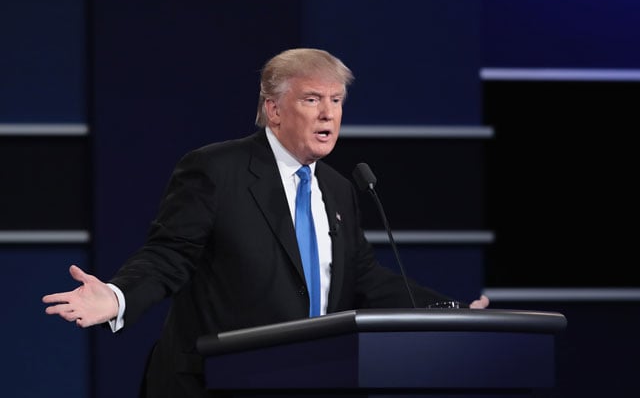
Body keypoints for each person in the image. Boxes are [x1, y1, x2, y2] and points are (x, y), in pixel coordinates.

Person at [43, 48, 490, 397]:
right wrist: (119, 297)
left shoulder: (338, 189)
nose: (328, 114)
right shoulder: (216, 170)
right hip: (217, 383)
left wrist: (448, 312)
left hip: (313, 381)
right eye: (312, 99)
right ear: (273, 110)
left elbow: (363, 277)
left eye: (336, 101)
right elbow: (170, 255)